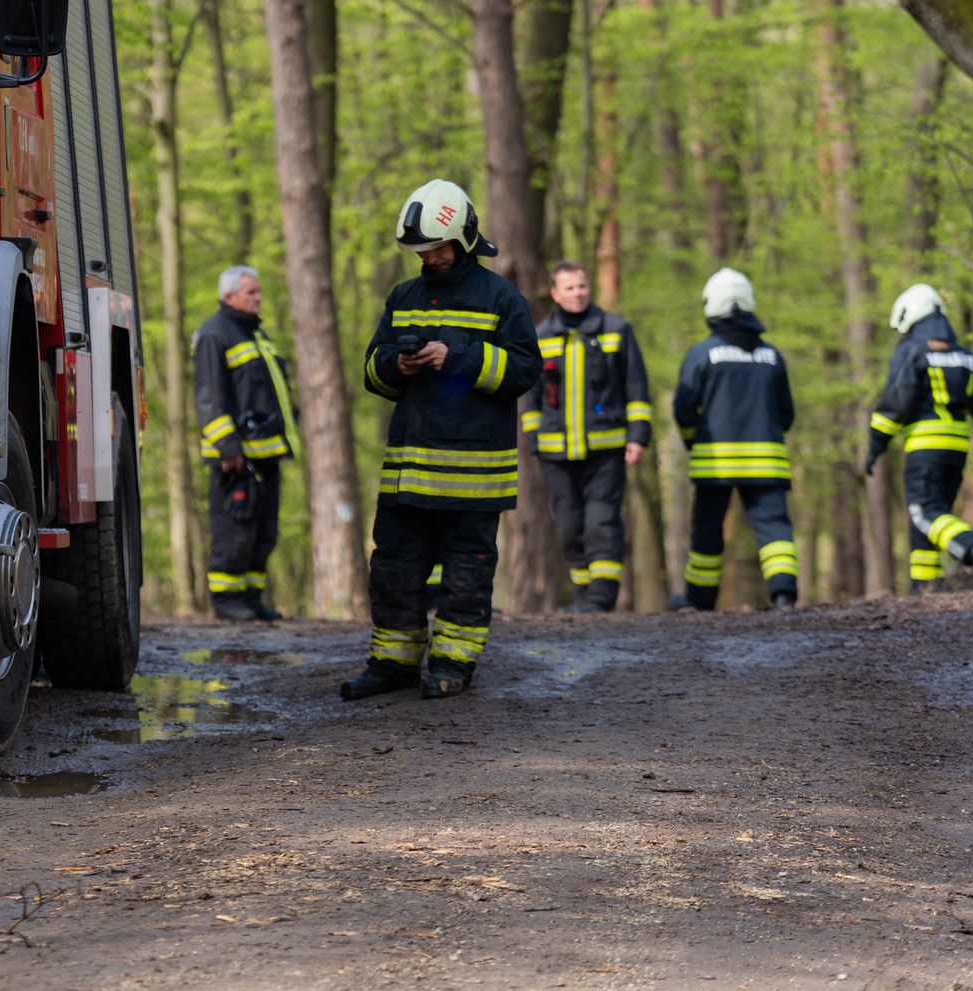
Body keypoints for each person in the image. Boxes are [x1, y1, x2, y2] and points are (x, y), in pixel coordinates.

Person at [342, 181, 540, 700]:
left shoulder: (501, 297)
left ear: (464, 236)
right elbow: (373, 372)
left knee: (465, 576)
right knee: (393, 568)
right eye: (422, 251)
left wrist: (458, 357)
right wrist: (397, 364)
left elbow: (524, 370)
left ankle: (453, 666)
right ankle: (392, 665)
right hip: (409, 473)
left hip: (473, 476)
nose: (430, 258)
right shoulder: (403, 297)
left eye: (438, 248)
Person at [522, 260, 654, 613]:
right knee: (569, 527)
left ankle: (601, 596)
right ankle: (583, 594)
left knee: (602, 521)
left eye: (582, 286)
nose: (578, 293)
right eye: (570, 288)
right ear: (554, 293)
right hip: (555, 452)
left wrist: (638, 436)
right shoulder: (540, 335)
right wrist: (533, 435)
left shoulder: (616, 329)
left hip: (606, 448)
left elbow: (636, 386)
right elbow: (529, 393)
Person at [673, 268, 799, 610]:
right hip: (767, 463)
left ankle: (698, 603)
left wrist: (693, 441)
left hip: (715, 464)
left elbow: (683, 410)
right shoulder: (772, 355)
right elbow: (786, 413)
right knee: (774, 531)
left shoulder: (702, 354)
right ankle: (784, 596)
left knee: (707, 533)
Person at [863, 283, 973, 590]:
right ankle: (924, 590)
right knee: (930, 521)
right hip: (956, 449)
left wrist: (875, 446)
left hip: (924, 447)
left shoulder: (912, 352)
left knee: (924, 512)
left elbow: (895, 403)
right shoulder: (964, 357)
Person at [192, 265, 298, 622]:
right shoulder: (213, 333)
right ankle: (226, 599)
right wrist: (228, 447)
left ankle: (252, 597)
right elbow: (209, 396)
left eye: (258, 291)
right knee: (233, 530)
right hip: (236, 460)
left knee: (263, 531)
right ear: (230, 296)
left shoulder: (255, 335)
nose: (258, 298)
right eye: (251, 292)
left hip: (265, 455)